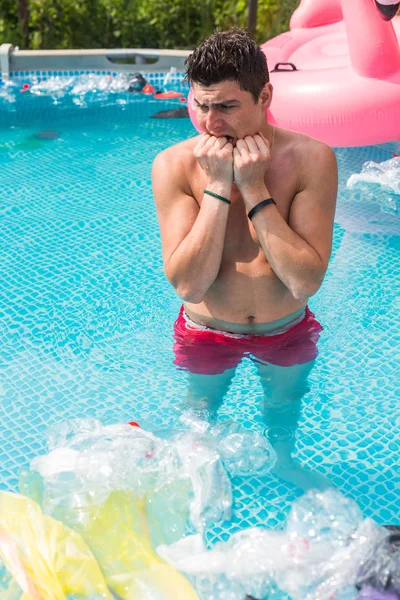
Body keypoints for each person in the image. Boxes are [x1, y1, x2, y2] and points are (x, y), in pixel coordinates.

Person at [152, 28, 337, 490]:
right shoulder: (174, 165)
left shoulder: (311, 159)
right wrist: (218, 186)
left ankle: (282, 461)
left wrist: (253, 188)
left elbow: (304, 282)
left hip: (286, 326)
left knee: (284, 406)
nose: (211, 123)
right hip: (206, 329)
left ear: (265, 95)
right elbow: (189, 286)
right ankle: (195, 478)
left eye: (228, 107)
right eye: (202, 105)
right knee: (200, 411)